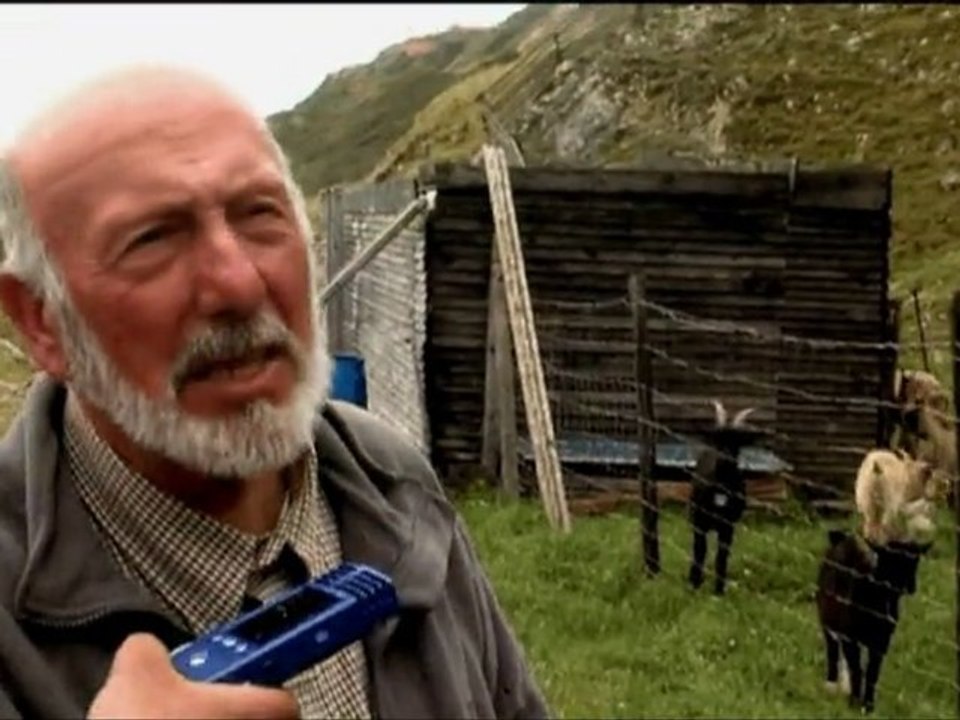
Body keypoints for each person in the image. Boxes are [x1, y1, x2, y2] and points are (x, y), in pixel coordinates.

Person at [0, 65, 550, 720]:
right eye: (153, 239)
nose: (238, 285)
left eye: (260, 213)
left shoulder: (390, 482)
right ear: (42, 320)